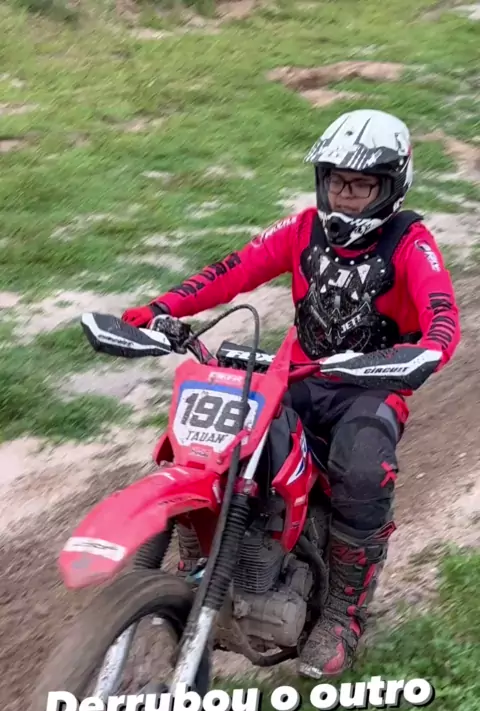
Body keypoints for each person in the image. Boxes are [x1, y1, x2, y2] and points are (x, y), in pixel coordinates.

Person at [121, 108, 461, 679]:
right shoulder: (303, 229)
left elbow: (442, 319)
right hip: (295, 374)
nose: (345, 196)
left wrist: (418, 354)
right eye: (336, 182)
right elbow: (233, 269)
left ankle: (343, 614)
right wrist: (161, 308)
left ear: (391, 186)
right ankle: (200, 558)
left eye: (361, 185)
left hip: (369, 386)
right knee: (214, 439)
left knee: (361, 467)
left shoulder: (412, 244)